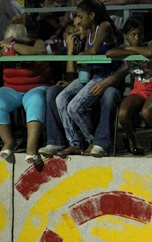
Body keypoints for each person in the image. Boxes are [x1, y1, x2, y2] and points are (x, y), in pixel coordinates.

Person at [47, 0, 122, 157]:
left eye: (80, 16)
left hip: (105, 76)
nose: (78, 21)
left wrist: (77, 54)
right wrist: (72, 50)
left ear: (92, 15)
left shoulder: (104, 26)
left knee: (74, 107)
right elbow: (84, 63)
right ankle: (75, 143)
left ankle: (92, 140)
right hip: (91, 75)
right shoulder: (88, 32)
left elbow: (94, 52)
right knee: (60, 99)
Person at [0, 23, 51, 163]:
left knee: (36, 99)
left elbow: (39, 53)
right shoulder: (4, 47)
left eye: (16, 40)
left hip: (35, 87)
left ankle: (31, 147)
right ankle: (8, 142)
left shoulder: (36, 43)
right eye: (11, 40)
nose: (13, 43)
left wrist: (12, 45)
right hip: (12, 89)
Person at [106, 16, 152, 155]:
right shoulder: (125, 47)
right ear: (125, 36)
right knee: (123, 114)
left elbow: (149, 52)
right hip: (139, 90)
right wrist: (133, 50)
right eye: (133, 35)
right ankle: (132, 140)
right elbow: (110, 53)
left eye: (140, 34)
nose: (137, 37)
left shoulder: (151, 43)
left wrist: (131, 49)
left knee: (147, 112)